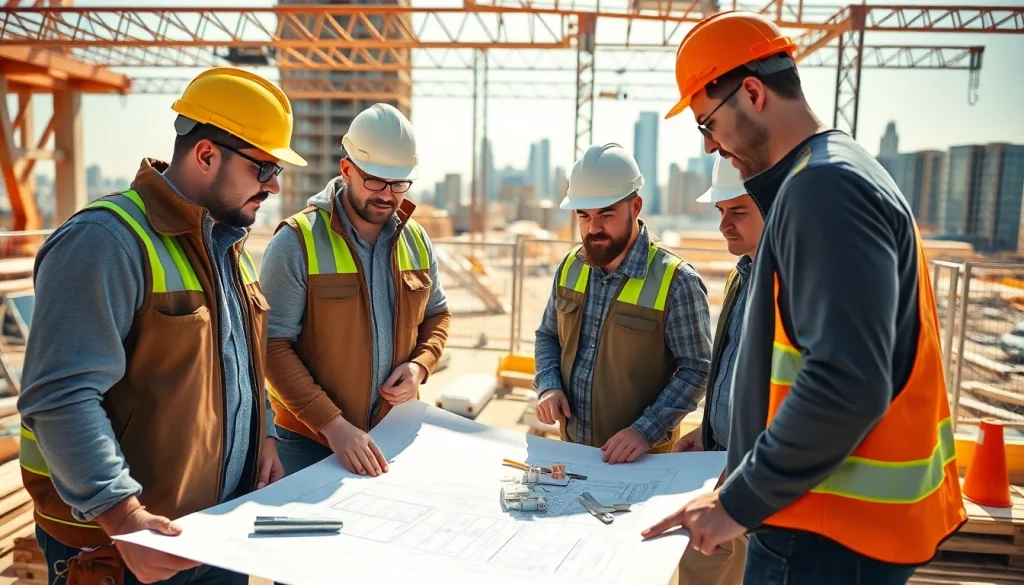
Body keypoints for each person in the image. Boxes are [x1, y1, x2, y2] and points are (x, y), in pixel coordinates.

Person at [642, 11, 967, 585]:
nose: (712, 146)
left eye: (708, 124)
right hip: (830, 521)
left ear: (752, 93)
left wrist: (738, 502)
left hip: (826, 530)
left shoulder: (823, 188)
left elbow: (846, 380)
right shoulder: (832, 173)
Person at [17, 67, 304, 585]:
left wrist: (262, 435)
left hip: (215, 529)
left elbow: (241, 365)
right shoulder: (105, 241)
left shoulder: (228, 247)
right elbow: (59, 396)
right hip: (125, 544)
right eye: (263, 167)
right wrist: (123, 516)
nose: (274, 185)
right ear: (206, 155)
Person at [259, 102, 450, 479]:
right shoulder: (296, 242)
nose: (387, 195)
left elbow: (437, 314)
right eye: (374, 181)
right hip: (307, 441)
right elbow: (271, 345)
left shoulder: (416, 239)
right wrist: (332, 425)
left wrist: (421, 365)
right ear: (346, 170)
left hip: (393, 433)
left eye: (398, 184)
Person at [533, 143, 712, 463]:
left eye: (606, 214)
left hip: (642, 463)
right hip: (574, 452)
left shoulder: (677, 281)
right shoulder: (570, 267)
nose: (593, 228)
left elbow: (698, 369)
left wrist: (645, 430)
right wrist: (549, 385)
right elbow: (547, 335)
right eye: (584, 216)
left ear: (636, 207)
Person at [674, 155, 764, 585]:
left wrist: (742, 467)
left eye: (738, 211)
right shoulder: (741, 277)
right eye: (721, 211)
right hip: (719, 467)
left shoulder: (792, 288)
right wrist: (708, 430)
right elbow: (732, 373)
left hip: (754, 484)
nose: (724, 225)